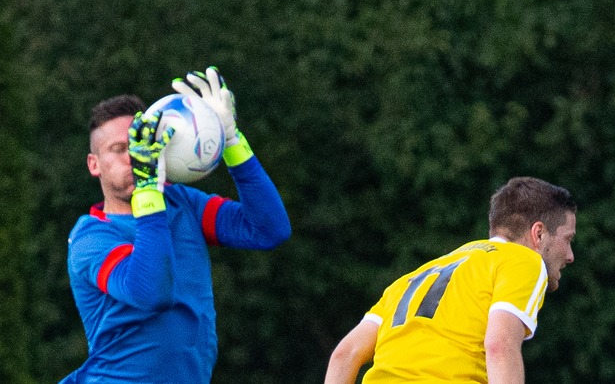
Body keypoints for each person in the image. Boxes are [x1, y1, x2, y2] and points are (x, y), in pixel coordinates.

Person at [60, 66, 291, 383]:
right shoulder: (91, 238)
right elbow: (152, 293)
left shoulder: (183, 203)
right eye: (120, 149)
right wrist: (149, 195)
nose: (134, 156)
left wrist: (231, 140)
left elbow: (269, 230)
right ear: (94, 164)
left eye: (141, 143)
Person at [324, 177, 576, 384]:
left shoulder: (414, 277)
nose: (570, 256)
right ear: (539, 233)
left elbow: (344, 355)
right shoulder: (522, 260)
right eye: (568, 240)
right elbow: (500, 344)